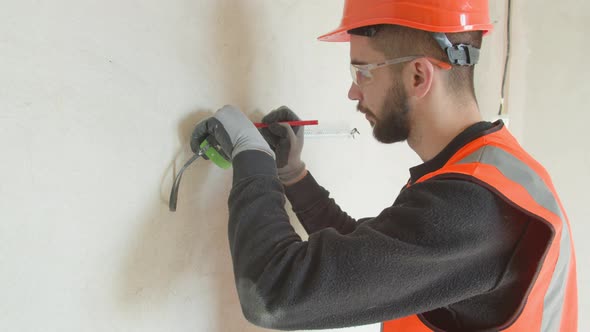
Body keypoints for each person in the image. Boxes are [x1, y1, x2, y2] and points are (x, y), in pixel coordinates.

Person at [190, 0, 578, 331]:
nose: (353, 91)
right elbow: (378, 261)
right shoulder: (494, 171)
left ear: (417, 75)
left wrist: (250, 155)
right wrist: (295, 178)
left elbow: (273, 292)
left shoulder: (474, 207)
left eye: (363, 71)